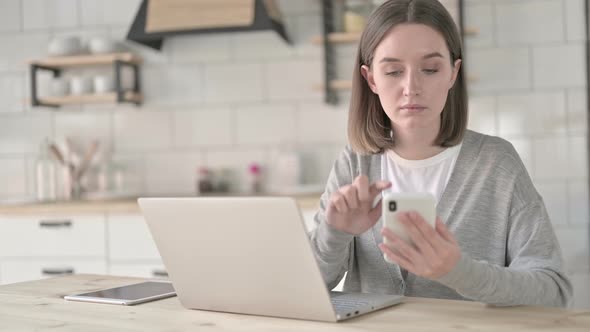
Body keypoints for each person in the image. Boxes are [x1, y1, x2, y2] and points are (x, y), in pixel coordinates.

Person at [310, 0, 572, 307]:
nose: (411, 87)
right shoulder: (355, 162)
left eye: (430, 69)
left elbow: (554, 292)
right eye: (393, 71)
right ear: (371, 80)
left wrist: (459, 272)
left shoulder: (496, 163)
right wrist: (335, 234)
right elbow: (305, 289)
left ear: (452, 73)